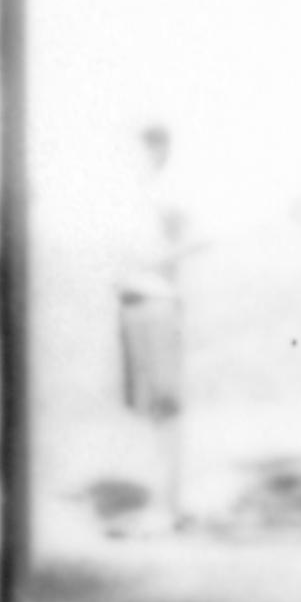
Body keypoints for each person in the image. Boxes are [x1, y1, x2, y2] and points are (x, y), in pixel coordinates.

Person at [111, 123, 196, 529]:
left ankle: (169, 506)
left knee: (165, 407)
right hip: (132, 304)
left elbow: (193, 241)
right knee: (148, 408)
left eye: (148, 149)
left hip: (157, 304)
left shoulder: (169, 195)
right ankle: (160, 502)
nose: (139, 157)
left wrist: (153, 262)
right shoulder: (136, 197)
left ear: (161, 151)